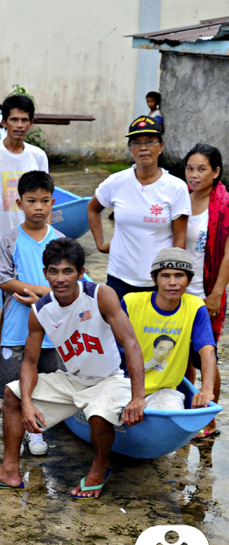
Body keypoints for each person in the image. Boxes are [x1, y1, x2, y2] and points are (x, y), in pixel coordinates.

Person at [0, 238, 147, 498]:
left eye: (68, 271)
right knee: (12, 393)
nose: (60, 278)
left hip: (109, 379)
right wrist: (27, 402)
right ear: (45, 274)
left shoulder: (100, 295)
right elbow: (29, 362)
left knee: (98, 415)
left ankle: (99, 469)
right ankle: (9, 471)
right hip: (73, 379)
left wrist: (138, 396)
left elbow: (131, 343)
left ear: (81, 273)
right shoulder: (40, 311)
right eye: (53, 271)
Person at [0, 171, 64, 456]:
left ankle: (37, 432)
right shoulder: (10, 240)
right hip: (17, 329)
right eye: (31, 201)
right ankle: (13, 433)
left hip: (52, 331)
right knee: (13, 387)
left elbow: (71, 284)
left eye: (45, 201)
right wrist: (45, 292)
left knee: (44, 385)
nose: (38, 207)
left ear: (52, 203)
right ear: (19, 202)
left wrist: (40, 296)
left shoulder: (60, 241)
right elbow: (5, 280)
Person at [88, 116, 189, 301]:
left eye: (150, 142)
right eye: (136, 143)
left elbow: (180, 239)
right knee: (117, 327)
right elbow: (93, 208)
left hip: (158, 280)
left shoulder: (176, 187)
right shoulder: (117, 181)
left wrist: (172, 277)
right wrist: (101, 244)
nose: (143, 148)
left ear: (161, 146)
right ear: (130, 149)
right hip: (119, 277)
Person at [124, 248, 218, 412]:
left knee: (172, 418)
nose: (172, 282)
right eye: (165, 276)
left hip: (164, 390)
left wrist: (206, 390)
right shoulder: (131, 303)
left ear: (188, 280)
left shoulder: (195, 307)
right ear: (154, 279)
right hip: (124, 383)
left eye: (179, 276)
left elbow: (207, 350)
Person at [184, 144, 228, 439]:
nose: (194, 175)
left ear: (216, 172)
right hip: (177, 290)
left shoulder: (224, 205)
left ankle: (209, 418)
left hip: (206, 290)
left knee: (205, 355)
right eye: (190, 168)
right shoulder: (179, 197)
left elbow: (227, 253)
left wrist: (216, 294)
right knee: (180, 357)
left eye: (202, 169)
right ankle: (187, 411)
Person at [0, 94, 49, 242]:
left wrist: (46, 238)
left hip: (29, 238)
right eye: (14, 120)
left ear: (31, 123)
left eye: (24, 120)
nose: (19, 125)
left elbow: (45, 200)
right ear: (4, 123)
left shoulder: (38, 156)